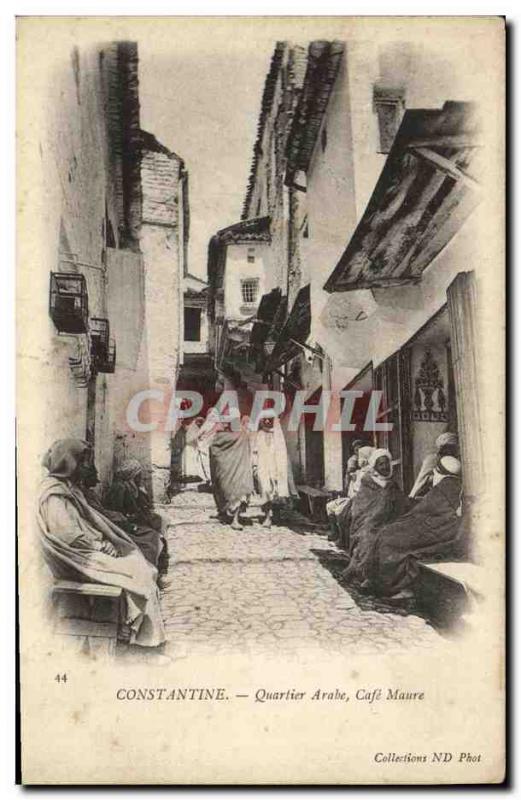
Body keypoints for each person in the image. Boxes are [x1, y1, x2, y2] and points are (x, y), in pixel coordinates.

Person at [37, 439, 167, 652]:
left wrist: (104, 542)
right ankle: (137, 631)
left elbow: (87, 524)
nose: (86, 468)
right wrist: (100, 545)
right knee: (137, 572)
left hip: (84, 552)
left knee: (140, 564)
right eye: (83, 462)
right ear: (69, 463)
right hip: (74, 560)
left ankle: (134, 627)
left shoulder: (68, 489)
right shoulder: (54, 495)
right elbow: (68, 535)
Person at [369, 455, 464, 600]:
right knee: (388, 532)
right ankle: (380, 581)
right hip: (438, 527)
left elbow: (426, 511)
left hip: (439, 531)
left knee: (389, 539)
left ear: (439, 472)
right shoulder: (451, 485)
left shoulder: (445, 487)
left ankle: (395, 586)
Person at [341, 449, 409, 587]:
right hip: (366, 523)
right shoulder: (367, 483)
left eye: (386, 463)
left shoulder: (392, 485)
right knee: (368, 537)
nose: (384, 467)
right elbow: (360, 508)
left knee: (387, 538)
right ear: (374, 466)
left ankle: (363, 572)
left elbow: (400, 506)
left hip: (388, 523)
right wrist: (373, 518)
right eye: (380, 464)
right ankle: (365, 574)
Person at [103, 458, 170, 589]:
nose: (141, 477)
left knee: (159, 522)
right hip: (122, 526)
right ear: (131, 474)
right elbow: (117, 513)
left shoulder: (132, 487)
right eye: (138, 474)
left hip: (131, 520)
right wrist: (134, 518)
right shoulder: (119, 488)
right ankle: (153, 574)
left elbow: (144, 505)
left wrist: (142, 493)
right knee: (153, 540)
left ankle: (160, 570)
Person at [209, 407, 254, 530]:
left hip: (240, 468)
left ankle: (235, 519)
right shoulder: (221, 435)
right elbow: (214, 449)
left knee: (240, 491)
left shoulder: (242, 434)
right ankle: (224, 513)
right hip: (225, 469)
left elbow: (248, 447)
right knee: (225, 490)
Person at [334, 445, 376, 549]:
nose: (359, 460)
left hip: (365, 501)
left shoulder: (367, 472)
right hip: (361, 499)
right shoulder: (362, 471)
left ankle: (346, 542)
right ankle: (344, 540)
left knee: (344, 515)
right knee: (343, 513)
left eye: (361, 457)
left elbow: (359, 490)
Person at [252, 414, 290, 528]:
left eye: (270, 419)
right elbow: (254, 452)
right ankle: (267, 516)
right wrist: (254, 466)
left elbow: (283, 454)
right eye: (265, 419)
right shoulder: (258, 435)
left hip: (276, 468)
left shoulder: (277, 436)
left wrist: (281, 470)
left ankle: (277, 515)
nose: (267, 421)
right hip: (262, 468)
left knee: (277, 492)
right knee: (266, 491)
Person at [326, 440, 367, 542]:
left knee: (342, 512)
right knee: (332, 506)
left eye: (360, 449)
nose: (358, 452)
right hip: (353, 492)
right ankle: (335, 533)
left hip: (361, 499)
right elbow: (350, 475)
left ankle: (343, 539)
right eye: (356, 450)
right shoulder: (353, 461)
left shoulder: (367, 467)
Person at [409, 432, 459, 499]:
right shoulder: (433, 459)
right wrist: (411, 496)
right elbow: (421, 479)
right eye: (445, 448)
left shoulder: (456, 461)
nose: (448, 451)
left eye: (452, 448)